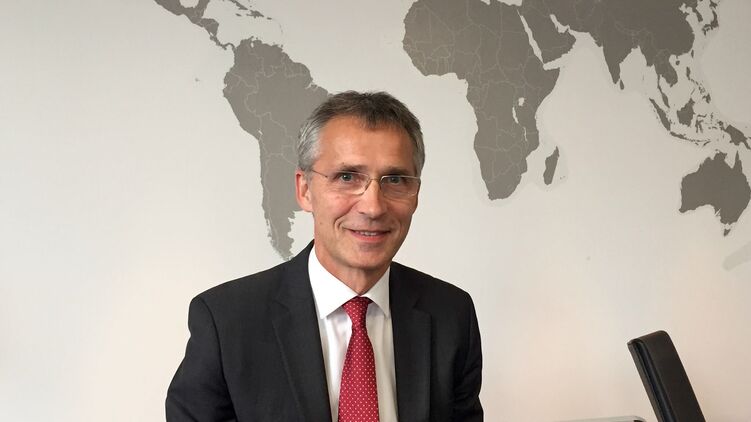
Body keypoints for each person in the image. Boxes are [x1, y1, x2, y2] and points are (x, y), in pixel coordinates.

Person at [166, 91, 483, 421]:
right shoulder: (226, 322)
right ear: (305, 190)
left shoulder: (451, 315)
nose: (373, 207)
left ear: (416, 193)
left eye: (395, 180)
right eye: (347, 177)